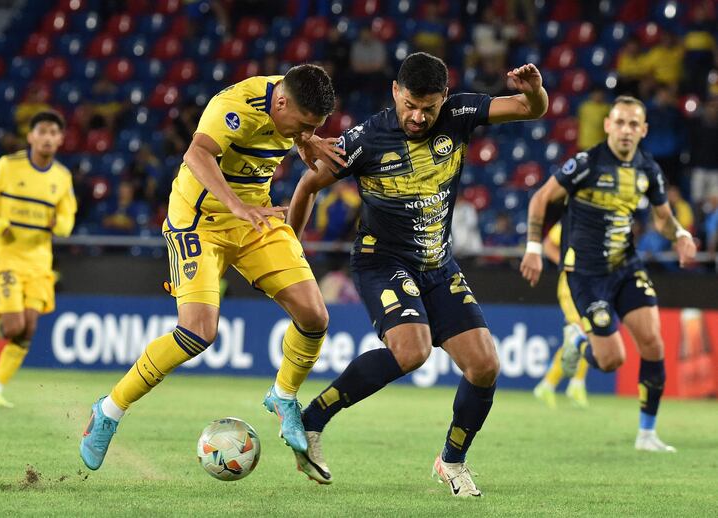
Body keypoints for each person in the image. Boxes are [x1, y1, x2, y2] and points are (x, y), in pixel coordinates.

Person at [287, 53, 548, 495]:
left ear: (444, 98)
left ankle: (452, 461)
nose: (418, 116)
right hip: (381, 261)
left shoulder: (460, 114)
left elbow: (529, 108)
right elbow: (309, 183)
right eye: (410, 104)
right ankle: (313, 418)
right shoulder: (366, 139)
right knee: (413, 351)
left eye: (428, 107)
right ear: (395, 92)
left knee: (485, 366)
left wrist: (536, 90)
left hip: (437, 264)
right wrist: (290, 247)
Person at [79, 64, 346, 471]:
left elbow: (292, 133)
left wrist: (305, 141)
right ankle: (109, 411)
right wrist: (236, 205)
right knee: (197, 332)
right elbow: (197, 154)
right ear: (281, 103)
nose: (305, 131)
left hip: (255, 217)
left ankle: (283, 395)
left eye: (314, 125)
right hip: (199, 221)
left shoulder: (292, 111)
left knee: (315, 315)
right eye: (303, 124)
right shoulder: (235, 104)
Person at [520, 96, 697, 453]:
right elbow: (540, 199)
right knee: (610, 360)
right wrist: (534, 248)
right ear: (608, 126)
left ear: (644, 130)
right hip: (586, 275)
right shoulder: (586, 163)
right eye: (620, 123)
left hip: (626, 266)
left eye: (634, 124)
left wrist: (679, 233)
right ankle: (578, 342)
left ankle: (647, 434)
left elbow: (662, 218)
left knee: (653, 342)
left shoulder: (648, 170)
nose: (626, 130)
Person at [0, 111, 77, 406]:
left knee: (28, 328)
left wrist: (59, 225)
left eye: (53, 132)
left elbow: (67, 221)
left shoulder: (62, 177)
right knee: (12, 325)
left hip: (39, 261)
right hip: (5, 256)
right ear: (30, 136)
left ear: (60, 139)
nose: (47, 137)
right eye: (41, 131)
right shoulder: (8, 166)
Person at [532, 222, 590, 409]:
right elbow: (548, 244)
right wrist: (565, 264)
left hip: (590, 286)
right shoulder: (571, 221)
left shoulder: (598, 220)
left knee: (585, 334)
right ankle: (575, 384)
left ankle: (548, 385)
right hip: (571, 286)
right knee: (582, 332)